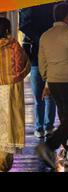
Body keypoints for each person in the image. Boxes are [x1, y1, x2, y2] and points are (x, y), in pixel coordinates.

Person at [36, 3, 68, 169]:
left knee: (66, 120)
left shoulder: (45, 36)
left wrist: (47, 78)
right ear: (67, 16)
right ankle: (49, 146)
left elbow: (42, 62)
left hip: (54, 82)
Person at [0, 18, 31, 172]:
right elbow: (24, 66)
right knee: (8, 127)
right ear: (7, 30)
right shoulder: (13, 46)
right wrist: (14, 78)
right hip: (10, 91)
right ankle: (3, 163)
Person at [22, 35, 56, 139]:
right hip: (51, 65)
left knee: (38, 99)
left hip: (36, 66)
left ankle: (39, 128)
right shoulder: (51, 32)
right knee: (50, 98)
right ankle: (48, 128)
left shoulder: (30, 32)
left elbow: (25, 51)